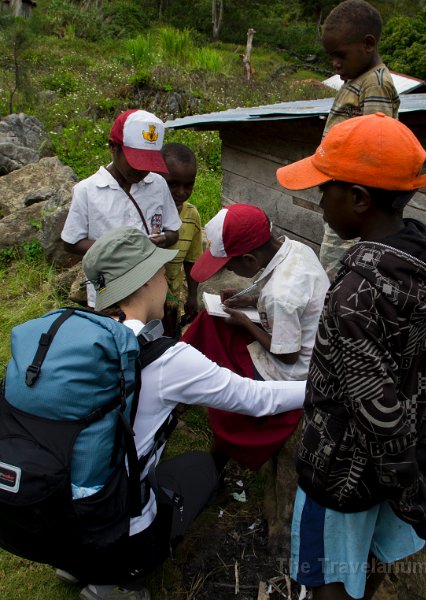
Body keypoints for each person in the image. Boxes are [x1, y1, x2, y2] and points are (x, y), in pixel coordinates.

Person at [67, 225, 306, 600]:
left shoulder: (79, 333)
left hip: (66, 498)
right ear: (147, 280)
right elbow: (257, 399)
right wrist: (323, 387)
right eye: (161, 271)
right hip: (116, 515)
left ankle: (71, 558)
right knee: (199, 470)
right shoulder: (169, 360)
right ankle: (118, 581)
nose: (167, 279)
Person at [276, 112, 426, 600]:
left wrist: (417, 504)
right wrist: (417, 480)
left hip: (341, 476)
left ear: (357, 198)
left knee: (326, 575)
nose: (318, 199)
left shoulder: (357, 291)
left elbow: (378, 414)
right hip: (407, 465)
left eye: (324, 188)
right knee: (369, 559)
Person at [182, 203, 329, 547]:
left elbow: (287, 351)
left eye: (231, 265)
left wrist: (246, 322)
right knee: (211, 321)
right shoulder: (294, 248)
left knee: (224, 384)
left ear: (248, 260)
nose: (230, 270)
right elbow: (276, 295)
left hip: (290, 371)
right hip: (290, 336)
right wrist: (248, 297)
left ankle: (219, 438)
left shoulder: (282, 294)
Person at [61, 109, 182, 307]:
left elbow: (173, 231)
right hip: (107, 289)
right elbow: (71, 242)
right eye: (136, 162)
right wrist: (117, 249)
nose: (142, 171)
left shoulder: (158, 184)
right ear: (113, 148)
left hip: (149, 287)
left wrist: (164, 239)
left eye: (148, 163)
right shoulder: (88, 190)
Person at [319, 0, 400, 281]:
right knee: (332, 263)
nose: (335, 63)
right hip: (342, 196)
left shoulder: (375, 83)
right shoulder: (354, 80)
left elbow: (376, 142)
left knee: (336, 271)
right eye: (331, 56)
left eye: (340, 55)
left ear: (368, 44)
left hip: (354, 199)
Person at [160, 142, 202, 337]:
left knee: (169, 338)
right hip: (142, 299)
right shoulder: (147, 212)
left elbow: (192, 259)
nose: (181, 192)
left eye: (188, 185)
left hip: (172, 300)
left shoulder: (191, 215)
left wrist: (192, 295)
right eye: (173, 183)